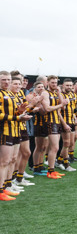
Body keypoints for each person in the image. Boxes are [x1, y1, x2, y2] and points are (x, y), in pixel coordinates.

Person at [0, 71, 32, 199]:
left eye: (8, 79)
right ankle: (1, 190)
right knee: (4, 161)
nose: (6, 82)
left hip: (14, 129)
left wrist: (21, 112)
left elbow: (16, 112)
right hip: (4, 130)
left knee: (10, 160)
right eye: (4, 80)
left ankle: (6, 186)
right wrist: (17, 117)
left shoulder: (10, 94)